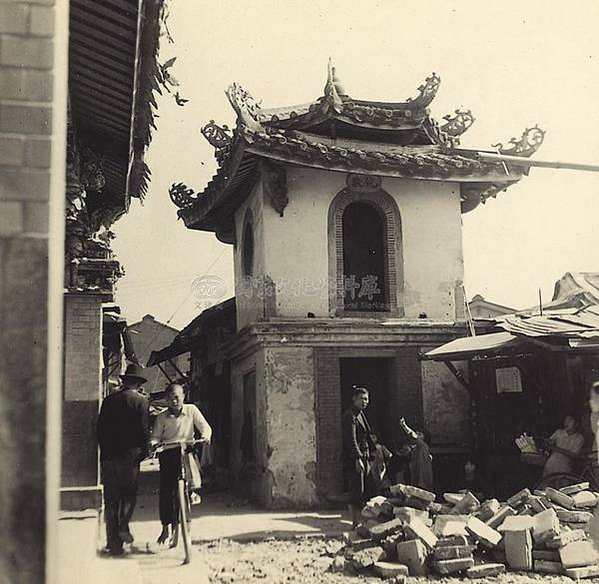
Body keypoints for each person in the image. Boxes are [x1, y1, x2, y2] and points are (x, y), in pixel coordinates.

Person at [96, 362, 150, 556]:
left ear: (125, 381)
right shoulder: (141, 402)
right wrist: (144, 452)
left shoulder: (109, 400)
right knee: (129, 495)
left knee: (111, 500)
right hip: (130, 458)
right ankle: (124, 526)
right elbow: (144, 431)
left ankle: (113, 544)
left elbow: (100, 430)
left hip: (110, 458)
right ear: (138, 383)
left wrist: (104, 454)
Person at [150, 383, 212, 546]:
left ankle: (192, 491)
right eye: (170, 399)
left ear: (183, 397)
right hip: (169, 452)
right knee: (166, 490)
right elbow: (155, 436)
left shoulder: (191, 410)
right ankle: (165, 526)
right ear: (166, 400)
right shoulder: (161, 417)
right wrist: (154, 442)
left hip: (187, 450)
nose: (174, 401)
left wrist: (205, 436)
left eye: (177, 397)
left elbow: (205, 426)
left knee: (193, 474)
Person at [341, 386, 377, 528]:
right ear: (354, 399)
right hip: (354, 459)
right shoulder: (350, 416)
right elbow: (351, 440)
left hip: (364, 457)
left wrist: (371, 453)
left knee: (370, 488)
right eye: (361, 399)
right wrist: (357, 459)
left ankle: (365, 519)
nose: (364, 402)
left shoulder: (360, 414)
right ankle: (356, 522)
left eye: (366, 399)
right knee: (357, 490)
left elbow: (366, 436)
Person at [399, 418, 434, 492]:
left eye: (420, 434)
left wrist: (404, 426)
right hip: (417, 474)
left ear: (424, 437)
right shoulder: (417, 447)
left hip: (422, 476)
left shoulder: (423, 445)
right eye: (417, 433)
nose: (417, 435)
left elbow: (412, 435)